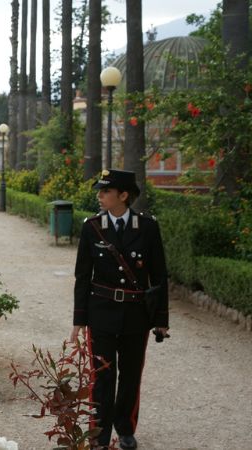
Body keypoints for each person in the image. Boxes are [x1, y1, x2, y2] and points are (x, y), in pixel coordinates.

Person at [70, 169, 169, 450]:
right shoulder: (92, 227)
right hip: (101, 313)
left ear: (123, 196)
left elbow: (159, 276)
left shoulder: (148, 227)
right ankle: (98, 435)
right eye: (99, 191)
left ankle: (125, 428)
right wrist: (79, 320)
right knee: (102, 375)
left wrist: (161, 319)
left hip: (136, 316)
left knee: (130, 374)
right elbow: (82, 276)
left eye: (105, 192)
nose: (99, 196)